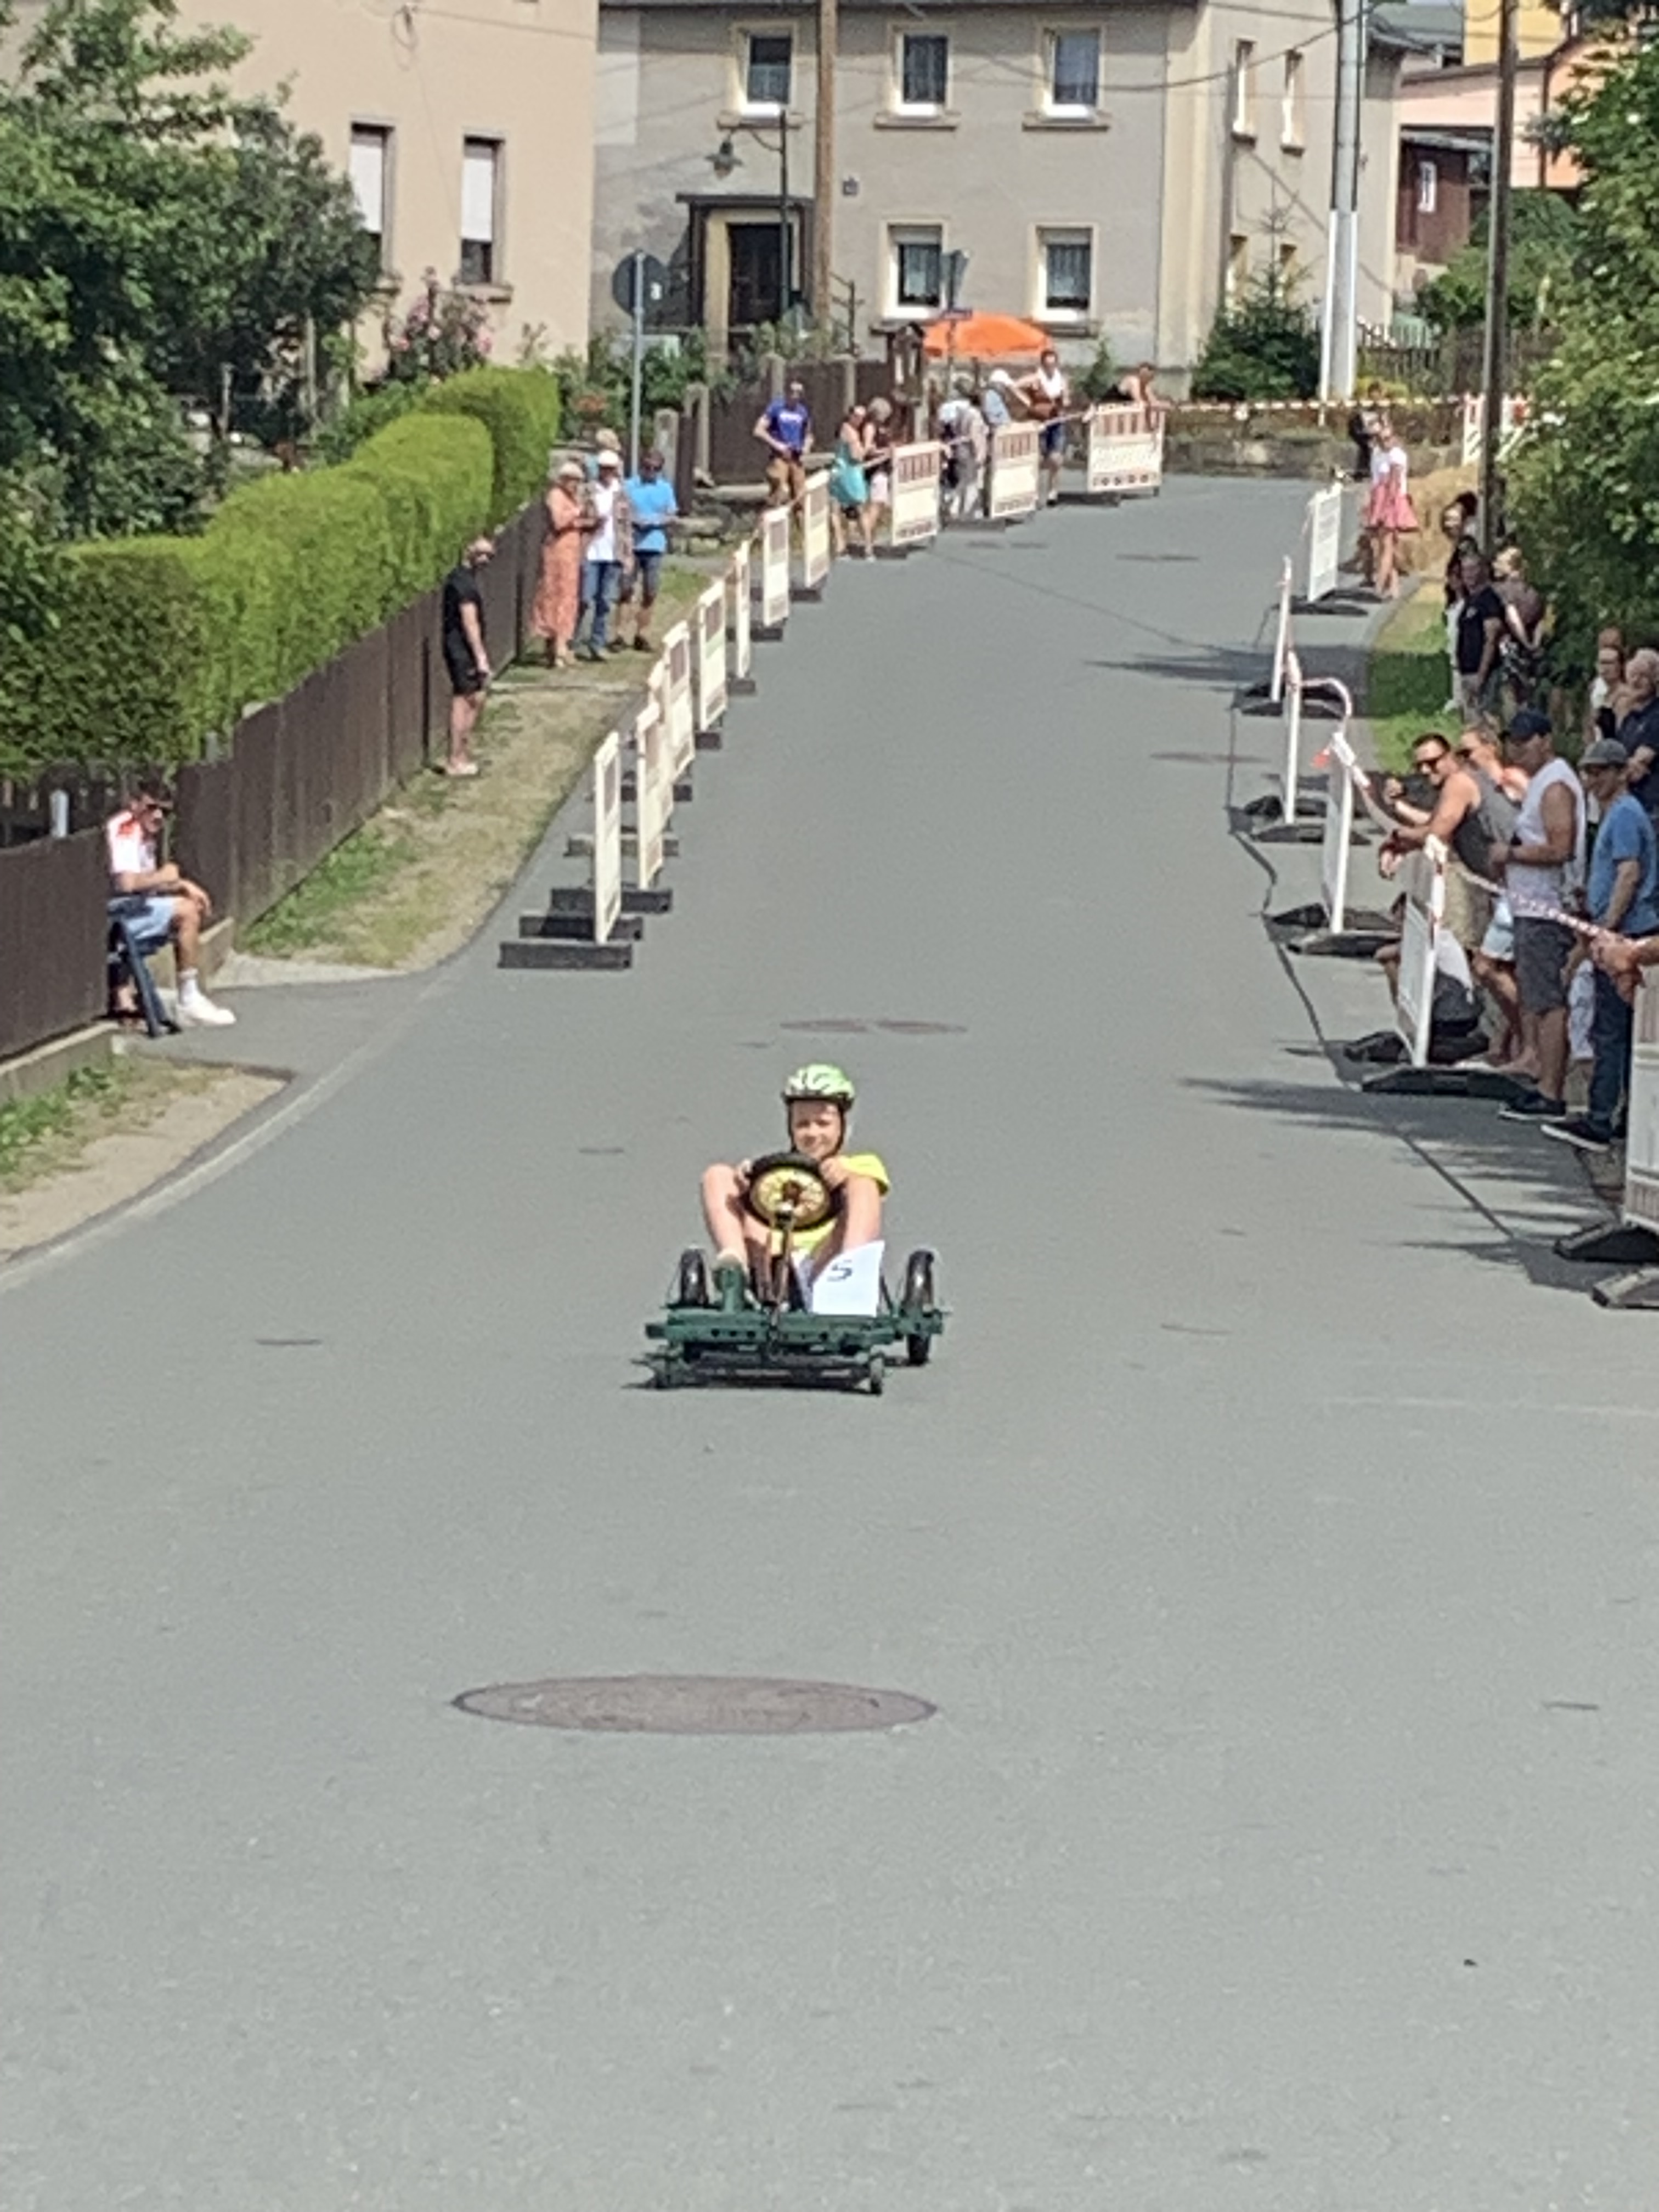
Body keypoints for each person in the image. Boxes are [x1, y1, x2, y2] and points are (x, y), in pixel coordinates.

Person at [1543, 738, 1659, 1153]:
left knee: (1611, 1031)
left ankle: (1601, 1118)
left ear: (1620, 773)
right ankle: (1627, 1115)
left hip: (1627, 932)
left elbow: (1629, 873)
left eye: (1600, 772)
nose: (1592, 780)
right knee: (1623, 1031)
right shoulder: (1617, 814)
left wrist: (1607, 927)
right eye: (1588, 772)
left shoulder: (1625, 814)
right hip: (1626, 928)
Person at [699, 1063, 887, 1297]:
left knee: (864, 1186)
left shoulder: (861, 1165)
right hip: (772, 1261)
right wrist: (747, 1184)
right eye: (802, 1124)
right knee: (717, 1174)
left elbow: (863, 1186)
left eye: (823, 1124)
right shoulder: (777, 1171)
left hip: (825, 1263)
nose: (813, 1134)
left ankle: (851, 1271)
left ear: (843, 1124)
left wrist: (846, 1174)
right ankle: (735, 1266)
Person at [1490, 708, 1585, 1123]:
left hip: (1546, 907)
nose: (1518, 749)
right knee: (1537, 994)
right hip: (1529, 905)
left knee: (1548, 999)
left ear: (1546, 740)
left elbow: (1560, 848)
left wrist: (1510, 854)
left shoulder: (1556, 786)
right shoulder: (1541, 782)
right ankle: (1542, 1076)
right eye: (1513, 742)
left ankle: (1551, 1090)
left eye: (1526, 741)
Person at [105, 778, 236, 1027]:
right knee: (186, 913)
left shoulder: (144, 834)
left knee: (188, 904)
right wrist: (165, 877)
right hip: (115, 915)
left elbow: (145, 883)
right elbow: (127, 884)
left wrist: (181, 885)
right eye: (151, 808)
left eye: (164, 812)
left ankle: (132, 994)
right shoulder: (126, 830)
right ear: (135, 805)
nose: (158, 816)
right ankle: (189, 997)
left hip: (128, 909)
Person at [1453, 726, 1530, 1070]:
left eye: (1468, 753)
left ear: (1490, 747)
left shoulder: (1510, 780)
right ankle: (1507, 1046)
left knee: (1487, 966)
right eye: (1459, 754)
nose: (1463, 760)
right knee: (1506, 969)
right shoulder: (1478, 785)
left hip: (1520, 889)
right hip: (1500, 888)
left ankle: (1528, 1044)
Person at [441, 535, 493, 776]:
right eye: (481, 554)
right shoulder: (462, 583)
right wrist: (480, 656)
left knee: (476, 698)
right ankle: (455, 758)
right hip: (461, 649)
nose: (485, 560)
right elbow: (470, 622)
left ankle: (462, 753)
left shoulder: (467, 579)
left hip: (463, 648)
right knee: (464, 699)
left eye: (489, 556)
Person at [573, 450, 631, 661]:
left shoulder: (621, 493)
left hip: (613, 554)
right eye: (604, 469)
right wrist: (591, 523)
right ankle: (574, 641)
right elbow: (575, 519)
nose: (607, 473)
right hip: (591, 551)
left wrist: (628, 555)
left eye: (611, 469)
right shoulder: (588, 491)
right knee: (585, 599)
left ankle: (597, 644)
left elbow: (626, 527)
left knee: (605, 601)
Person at [532, 460, 590, 670]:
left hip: (571, 553)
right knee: (555, 596)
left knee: (568, 596)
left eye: (578, 481)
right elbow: (558, 521)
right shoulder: (556, 495)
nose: (576, 485)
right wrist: (577, 512)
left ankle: (561, 644)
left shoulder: (572, 497)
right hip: (558, 553)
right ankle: (557, 647)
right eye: (573, 481)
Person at [619, 447, 678, 652]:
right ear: (641, 466)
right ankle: (620, 633)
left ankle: (642, 633)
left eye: (656, 469)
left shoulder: (665, 488)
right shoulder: (629, 486)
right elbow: (620, 510)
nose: (651, 471)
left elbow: (672, 514)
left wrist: (657, 521)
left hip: (654, 545)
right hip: (632, 544)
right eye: (647, 467)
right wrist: (633, 520)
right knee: (625, 588)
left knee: (650, 591)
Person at [1363, 422, 1416, 599]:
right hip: (1379, 499)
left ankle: (1379, 585)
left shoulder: (1397, 455)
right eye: (1380, 439)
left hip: (1392, 501)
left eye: (1388, 438)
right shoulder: (1377, 454)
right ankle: (1393, 584)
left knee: (1386, 544)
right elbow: (1375, 480)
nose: (1384, 442)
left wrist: (1386, 509)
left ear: (1394, 438)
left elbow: (1395, 483)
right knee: (1383, 544)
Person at [1452, 548, 1505, 721]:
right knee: (1471, 722)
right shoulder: (1470, 601)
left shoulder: (1488, 600)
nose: (1468, 574)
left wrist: (1482, 675)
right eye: (1465, 570)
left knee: (1486, 721)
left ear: (1483, 570)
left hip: (1484, 673)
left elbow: (1491, 639)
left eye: (1473, 569)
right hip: (1467, 671)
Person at [1615, 645, 1659, 826]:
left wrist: (1615, 773)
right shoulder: (1629, 719)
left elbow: (1636, 769)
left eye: (1643, 676)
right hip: (1629, 805)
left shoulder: (1656, 716)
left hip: (1652, 808)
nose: (1636, 681)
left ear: (1655, 679)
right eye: (1633, 675)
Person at [1022, 348, 1069, 507]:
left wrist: (1064, 401)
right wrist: (1027, 401)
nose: (1050, 368)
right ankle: (1034, 493)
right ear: (1042, 365)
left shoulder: (1061, 380)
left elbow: (1067, 399)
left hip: (1056, 422)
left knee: (1055, 459)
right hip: (1039, 421)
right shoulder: (1035, 378)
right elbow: (1014, 386)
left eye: (1053, 365)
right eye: (1047, 365)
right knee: (1037, 458)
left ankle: (1053, 491)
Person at [754, 379, 812, 509]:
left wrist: (807, 446)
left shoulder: (803, 412)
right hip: (780, 456)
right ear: (786, 392)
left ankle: (798, 520)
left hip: (796, 457)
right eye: (792, 392)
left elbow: (808, 434)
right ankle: (770, 517)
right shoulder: (776, 408)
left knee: (800, 495)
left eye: (799, 393)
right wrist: (777, 445)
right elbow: (758, 430)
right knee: (780, 491)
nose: (795, 395)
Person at [827, 402, 871, 558]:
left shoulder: (848, 430)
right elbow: (856, 456)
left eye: (862, 418)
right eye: (856, 416)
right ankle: (865, 547)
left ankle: (845, 545)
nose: (859, 420)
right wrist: (867, 447)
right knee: (859, 508)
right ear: (850, 416)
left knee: (839, 510)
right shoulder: (849, 431)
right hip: (849, 474)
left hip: (841, 471)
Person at [1587, 628, 1629, 745]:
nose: (1605, 668)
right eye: (1602, 663)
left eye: (1610, 663)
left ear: (1620, 665)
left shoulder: (1625, 696)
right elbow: (1590, 729)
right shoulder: (1597, 690)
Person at [862, 396, 896, 541]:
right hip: (875, 469)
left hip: (883, 468)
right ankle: (867, 535)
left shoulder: (882, 428)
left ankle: (871, 534)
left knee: (879, 503)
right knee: (876, 503)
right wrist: (885, 451)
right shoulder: (870, 427)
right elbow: (868, 449)